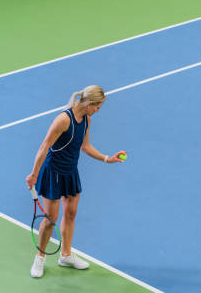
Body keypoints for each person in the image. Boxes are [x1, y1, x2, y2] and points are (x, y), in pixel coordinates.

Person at [25, 85, 125, 278]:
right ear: (88, 103)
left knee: (70, 214)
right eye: (97, 107)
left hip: (70, 171)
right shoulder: (63, 120)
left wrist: (108, 158)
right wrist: (34, 174)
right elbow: (44, 147)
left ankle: (66, 255)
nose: (98, 111)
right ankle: (40, 257)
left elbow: (85, 146)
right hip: (53, 173)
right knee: (50, 220)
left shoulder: (86, 119)